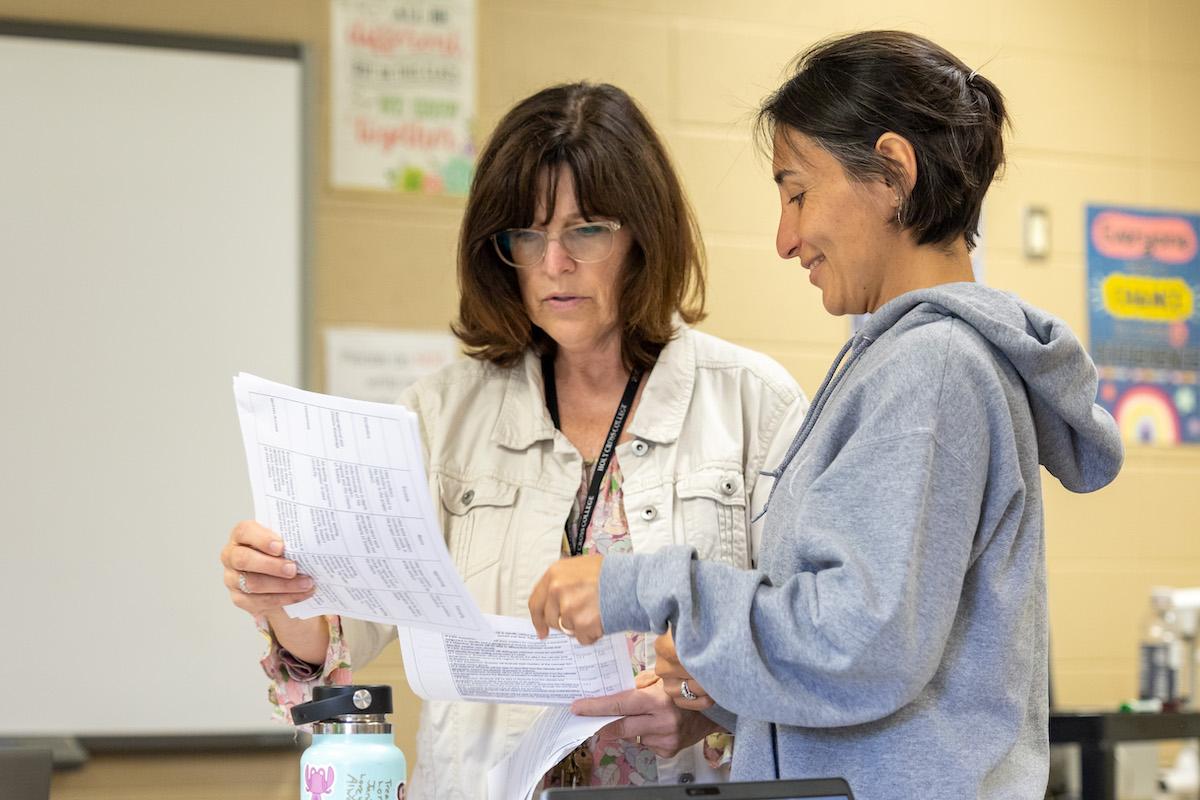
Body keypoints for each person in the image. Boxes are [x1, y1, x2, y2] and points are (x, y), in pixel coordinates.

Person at [529, 31, 1125, 799]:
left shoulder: (934, 368)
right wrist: (722, 686)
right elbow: (881, 670)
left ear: (893, 173)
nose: (785, 239)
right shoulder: (901, 363)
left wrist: (641, 586)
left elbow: (861, 643)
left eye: (797, 193)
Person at [220, 81, 808, 799]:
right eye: (527, 236)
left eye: (586, 230)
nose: (554, 264)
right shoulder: (442, 416)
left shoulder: (753, 404)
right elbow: (344, 634)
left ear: (643, 236)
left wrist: (703, 706)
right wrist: (279, 596)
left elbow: (809, 642)